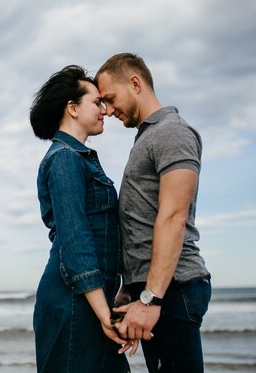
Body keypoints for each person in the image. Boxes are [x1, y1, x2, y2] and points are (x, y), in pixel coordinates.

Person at [96, 53, 212, 373]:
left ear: (135, 83)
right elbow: (143, 219)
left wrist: (150, 299)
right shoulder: (147, 137)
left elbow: (174, 217)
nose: (107, 109)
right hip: (154, 288)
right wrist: (128, 288)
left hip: (172, 289)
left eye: (110, 98)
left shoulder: (171, 132)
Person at [30, 65, 132, 373]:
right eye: (96, 102)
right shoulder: (65, 160)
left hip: (89, 300)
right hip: (75, 303)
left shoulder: (77, 158)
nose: (104, 110)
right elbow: (74, 241)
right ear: (73, 108)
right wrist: (105, 315)